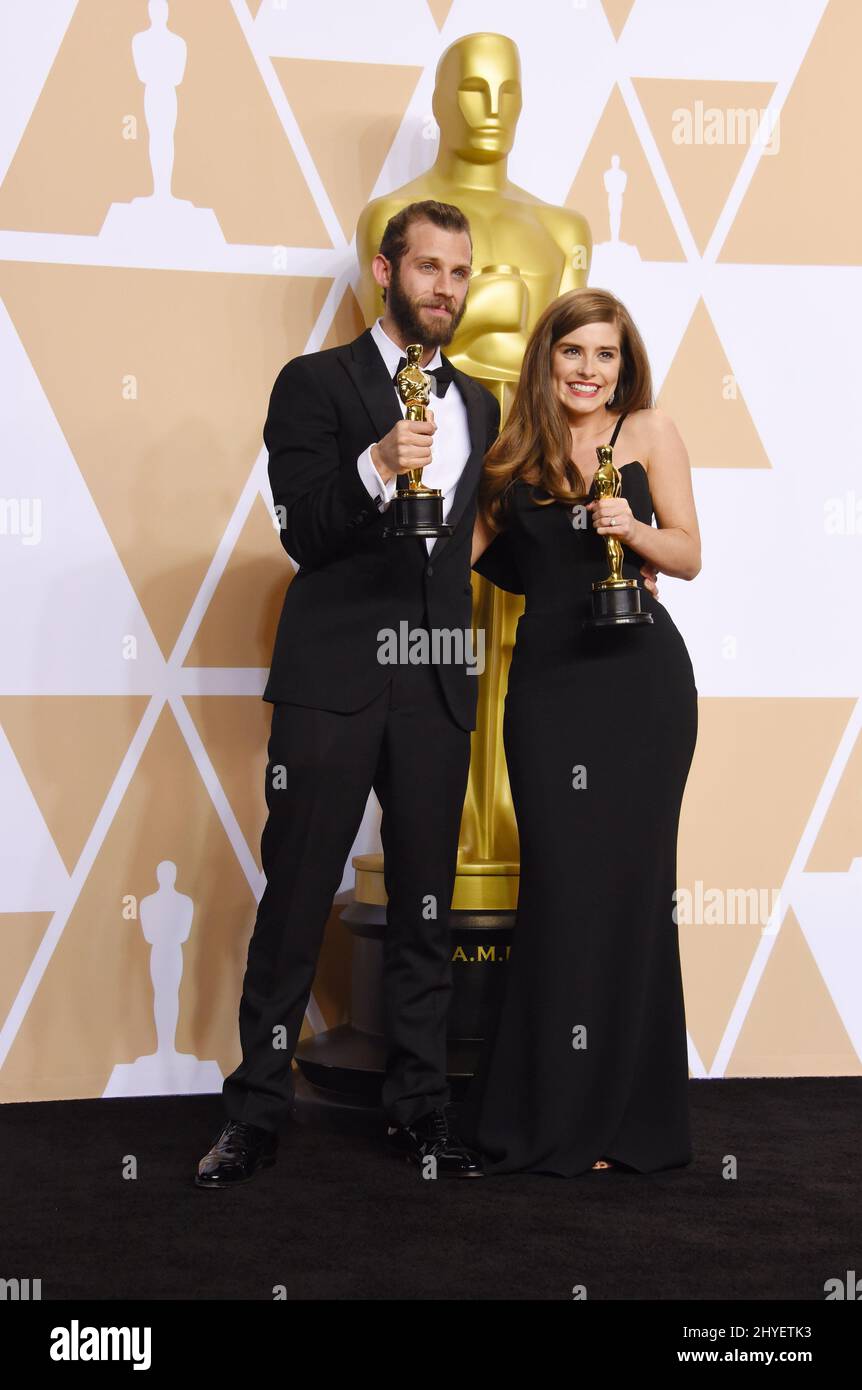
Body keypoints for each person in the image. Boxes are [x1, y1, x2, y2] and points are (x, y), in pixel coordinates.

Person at [195, 200, 501, 1185]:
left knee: (422, 907)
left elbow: (468, 544)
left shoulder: (481, 405)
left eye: (459, 272)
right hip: (333, 679)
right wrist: (376, 465)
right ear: (384, 270)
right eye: (428, 269)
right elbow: (302, 529)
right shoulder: (315, 383)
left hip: (435, 681)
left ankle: (418, 1110)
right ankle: (255, 1111)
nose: (444, 289)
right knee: (295, 901)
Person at [464, 287, 701, 1176]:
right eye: (574, 353)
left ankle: (626, 1126)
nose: (589, 370)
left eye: (605, 355)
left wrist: (632, 528)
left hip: (640, 688)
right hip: (551, 690)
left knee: (634, 893)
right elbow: (462, 557)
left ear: (623, 363)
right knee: (563, 890)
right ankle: (557, 1114)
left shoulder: (647, 432)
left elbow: (689, 551)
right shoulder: (512, 455)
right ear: (547, 359)